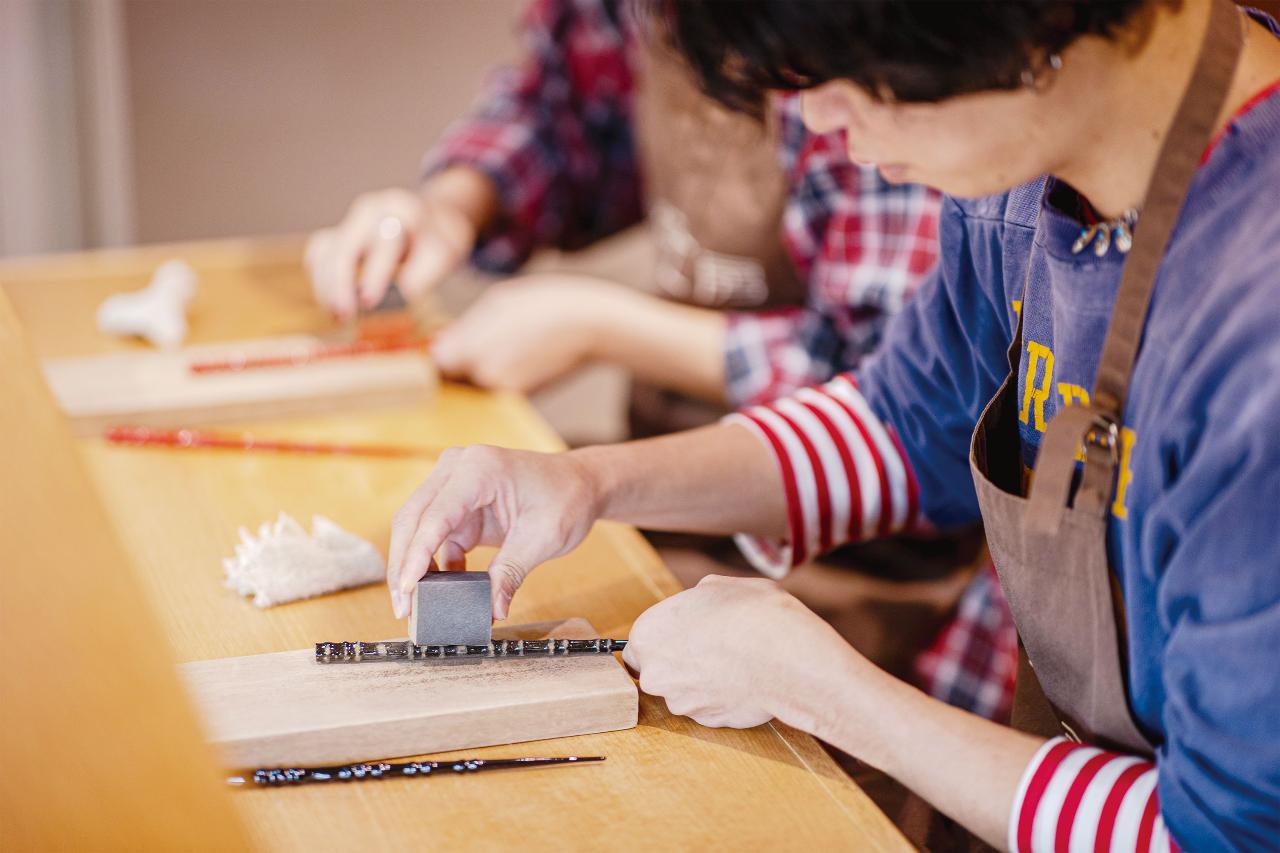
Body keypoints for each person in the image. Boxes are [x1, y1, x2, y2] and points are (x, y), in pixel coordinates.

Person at [385, 0, 1280, 848]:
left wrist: (831, 691)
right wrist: (590, 481)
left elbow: (1218, 835)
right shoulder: (1027, 168)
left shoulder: (1255, 337)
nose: (818, 123)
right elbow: (900, 419)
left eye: (847, 79)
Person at [305, 0, 1014, 720]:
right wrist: (454, 204)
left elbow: (911, 405)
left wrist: (601, 328)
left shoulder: (918, 120)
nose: (828, 117)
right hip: (699, 479)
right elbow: (898, 415)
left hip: (875, 561)